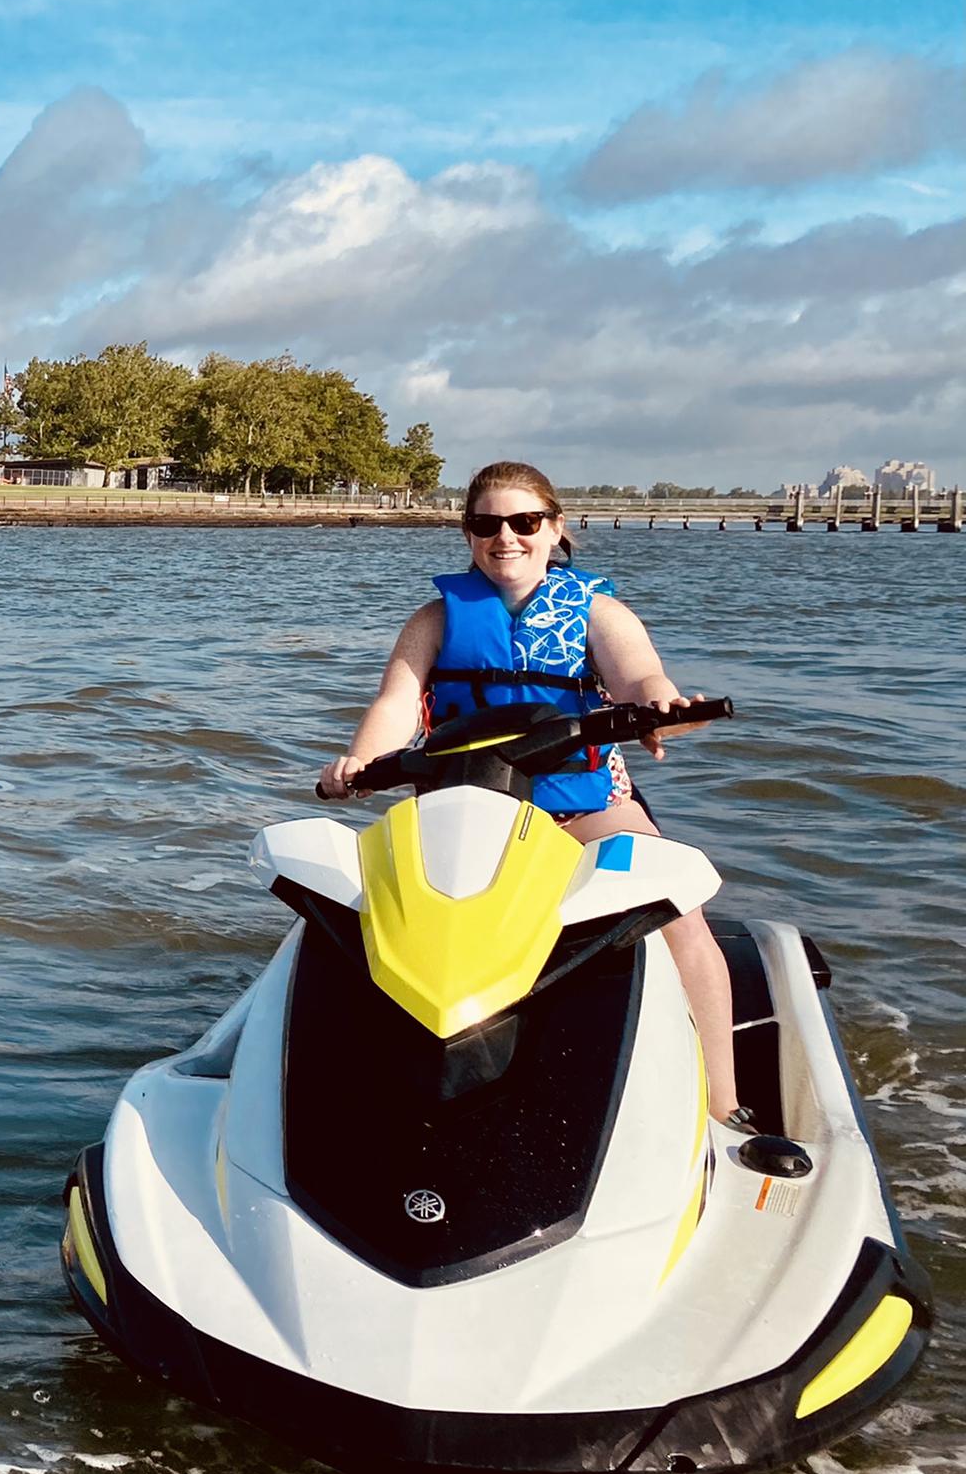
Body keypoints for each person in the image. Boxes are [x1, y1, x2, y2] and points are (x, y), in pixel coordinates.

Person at [317, 459, 745, 1124]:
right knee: (366, 908)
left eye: (524, 522)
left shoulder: (598, 612)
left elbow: (641, 680)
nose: (505, 538)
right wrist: (360, 761)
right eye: (487, 524)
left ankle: (724, 1106)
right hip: (463, 810)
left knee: (680, 913)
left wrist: (666, 707)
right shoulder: (435, 619)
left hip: (581, 805)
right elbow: (397, 704)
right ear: (467, 534)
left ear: (555, 529)